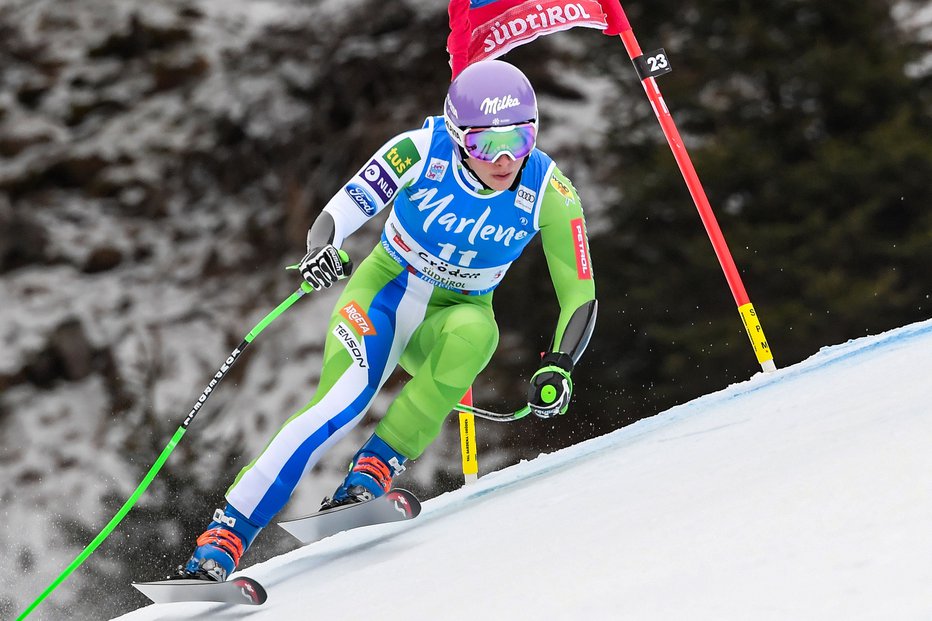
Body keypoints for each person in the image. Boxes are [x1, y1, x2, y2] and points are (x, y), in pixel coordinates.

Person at [178, 59, 598, 582]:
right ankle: (223, 539)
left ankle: (373, 470)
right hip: (382, 295)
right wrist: (319, 250)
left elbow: (579, 292)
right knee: (342, 405)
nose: (506, 158)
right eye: (486, 145)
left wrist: (560, 364)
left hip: (453, 314)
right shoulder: (418, 152)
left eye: (521, 138)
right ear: (455, 135)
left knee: (477, 334)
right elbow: (341, 209)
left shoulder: (551, 192)